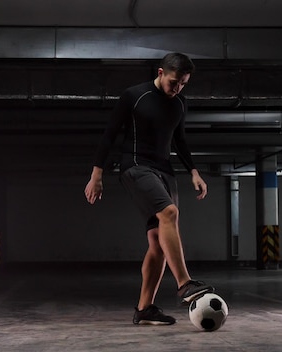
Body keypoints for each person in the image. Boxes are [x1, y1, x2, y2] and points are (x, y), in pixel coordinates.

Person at [84, 52, 214, 325]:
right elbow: (109, 134)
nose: (177, 88)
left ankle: (144, 308)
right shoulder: (134, 96)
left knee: (158, 242)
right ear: (160, 73)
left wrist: (194, 171)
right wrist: (97, 174)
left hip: (165, 170)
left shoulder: (180, 102)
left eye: (183, 84)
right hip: (136, 167)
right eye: (174, 82)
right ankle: (184, 284)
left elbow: (180, 140)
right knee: (169, 213)